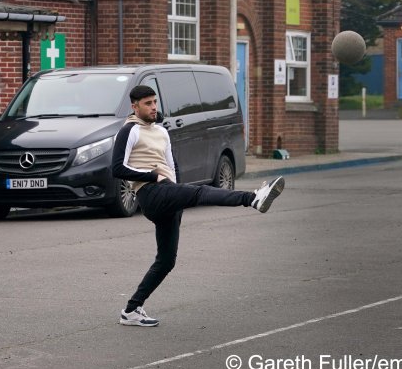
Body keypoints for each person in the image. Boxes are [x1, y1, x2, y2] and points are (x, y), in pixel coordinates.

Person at [111, 84, 285, 327]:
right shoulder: (129, 131)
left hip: (168, 193)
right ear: (134, 106)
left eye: (154, 102)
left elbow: (171, 165)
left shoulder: (161, 131)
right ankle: (253, 198)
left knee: (166, 260)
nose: (153, 107)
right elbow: (116, 169)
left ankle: (131, 310)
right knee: (202, 192)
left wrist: (177, 190)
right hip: (150, 193)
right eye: (147, 103)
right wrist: (152, 177)